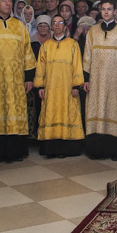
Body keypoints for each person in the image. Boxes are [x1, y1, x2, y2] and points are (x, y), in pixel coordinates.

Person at [0, 0, 36, 162]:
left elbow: (28, 52)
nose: (8, 3)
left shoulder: (19, 26)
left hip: (16, 79)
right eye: (3, 1)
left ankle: (16, 151)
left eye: (10, 1)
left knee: (14, 112)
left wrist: (29, 78)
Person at [82, 0, 117, 161]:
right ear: (100, 11)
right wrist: (86, 79)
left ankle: (114, 150)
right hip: (96, 81)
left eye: (109, 9)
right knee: (96, 111)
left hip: (115, 81)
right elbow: (87, 56)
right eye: (103, 9)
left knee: (114, 112)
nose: (106, 12)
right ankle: (96, 151)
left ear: (114, 11)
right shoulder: (92, 32)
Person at [35, 15, 85, 158]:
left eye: (60, 23)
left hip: (68, 88)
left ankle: (67, 149)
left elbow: (77, 65)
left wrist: (76, 85)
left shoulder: (73, 44)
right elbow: (40, 68)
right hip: (50, 88)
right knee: (50, 113)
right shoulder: (46, 46)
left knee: (67, 113)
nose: (57, 25)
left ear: (65, 26)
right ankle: (51, 149)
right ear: (52, 26)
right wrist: (40, 87)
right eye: (54, 23)